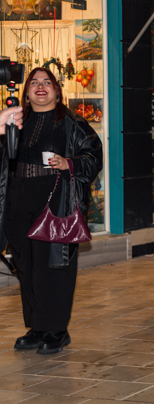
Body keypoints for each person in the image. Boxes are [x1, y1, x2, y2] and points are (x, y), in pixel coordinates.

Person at [6, 68, 102, 354]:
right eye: (34, 83)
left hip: (53, 199)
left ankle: (57, 329)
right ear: (25, 92)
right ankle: (37, 327)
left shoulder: (71, 122)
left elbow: (93, 154)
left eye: (46, 83)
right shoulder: (14, 120)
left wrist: (68, 163)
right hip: (18, 198)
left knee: (54, 266)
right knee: (27, 268)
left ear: (57, 91)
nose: (40, 87)